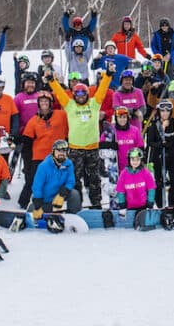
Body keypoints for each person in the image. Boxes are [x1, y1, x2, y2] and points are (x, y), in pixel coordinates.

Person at [49, 69, 112, 209]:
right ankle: (75, 204)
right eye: (77, 94)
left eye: (83, 93)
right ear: (74, 95)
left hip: (92, 149)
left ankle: (96, 205)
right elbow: (59, 93)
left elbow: (102, 90)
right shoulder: (70, 106)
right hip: (75, 150)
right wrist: (51, 81)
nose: (80, 96)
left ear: (87, 95)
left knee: (94, 179)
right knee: (74, 180)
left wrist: (107, 75)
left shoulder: (94, 105)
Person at [18, 91, 68, 209]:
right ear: (38, 104)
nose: (44, 103)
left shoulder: (61, 115)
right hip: (39, 156)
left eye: (46, 101)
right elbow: (27, 142)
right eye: (41, 101)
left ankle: (66, 202)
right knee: (32, 180)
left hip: (58, 156)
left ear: (51, 103)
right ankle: (23, 203)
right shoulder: (33, 121)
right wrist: (28, 163)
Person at [145, 100, 174, 206]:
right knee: (159, 182)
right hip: (160, 157)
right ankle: (160, 205)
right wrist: (160, 144)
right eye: (162, 111)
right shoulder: (154, 125)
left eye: (167, 111)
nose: (165, 113)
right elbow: (150, 142)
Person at [30, 140, 79, 217]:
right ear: (53, 152)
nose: (61, 153)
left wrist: (63, 193)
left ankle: (73, 216)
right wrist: (38, 203)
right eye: (59, 151)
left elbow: (71, 180)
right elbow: (37, 186)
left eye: (64, 151)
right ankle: (35, 209)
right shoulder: (44, 166)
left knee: (74, 194)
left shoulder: (68, 164)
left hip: (58, 198)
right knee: (35, 213)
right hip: (45, 200)